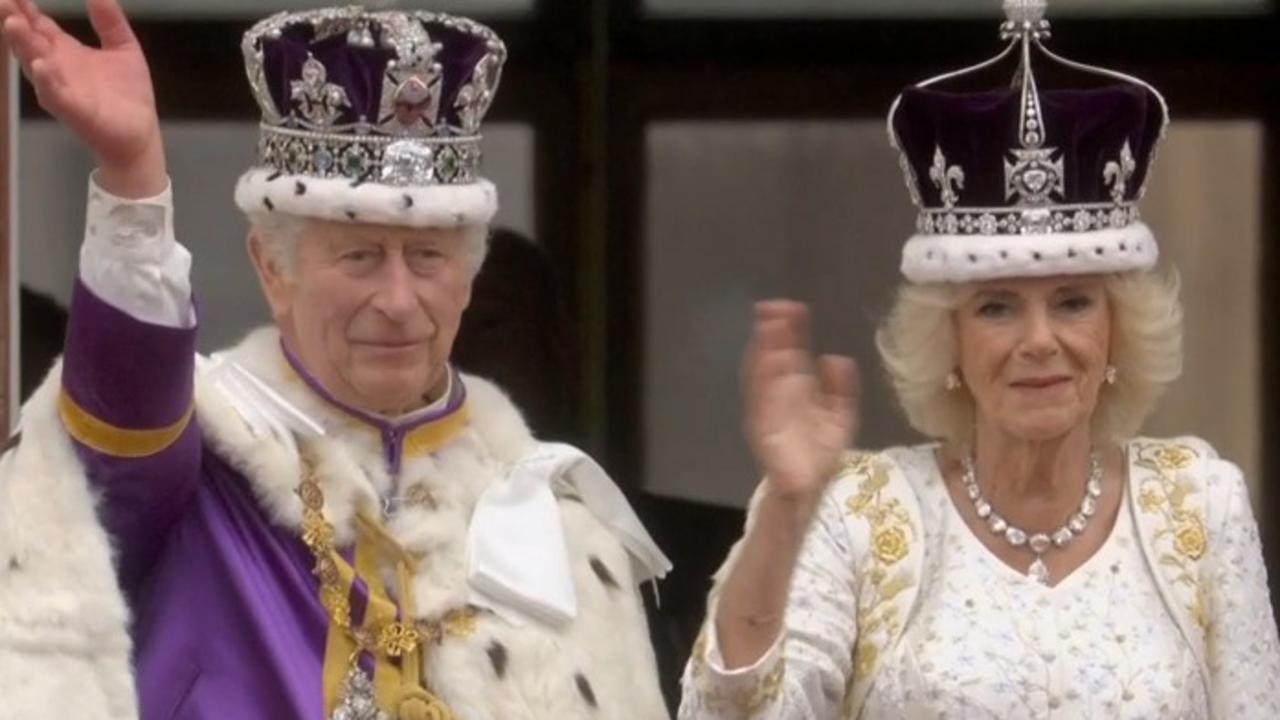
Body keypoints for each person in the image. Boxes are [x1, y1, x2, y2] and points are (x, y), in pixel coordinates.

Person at [0, 1, 671, 718]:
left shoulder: (558, 523)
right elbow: (121, 406)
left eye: (427, 258)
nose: (397, 299)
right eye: (359, 256)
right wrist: (134, 179)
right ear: (271, 268)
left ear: (469, 276)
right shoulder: (199, 462)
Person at [678, 1, 1280, 718]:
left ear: (1118, 330)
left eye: (1072, 301)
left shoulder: (1199, 505)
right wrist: (785, 505)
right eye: (997, 306)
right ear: (950, 339)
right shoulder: (860, 514)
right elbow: (730, 711)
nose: (1038, 339)